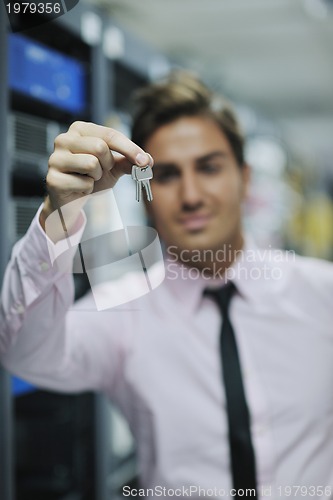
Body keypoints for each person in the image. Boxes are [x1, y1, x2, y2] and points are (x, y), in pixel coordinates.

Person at [1, 72, 333, 500]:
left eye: (209, 167)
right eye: (169, 175)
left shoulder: (322, 294)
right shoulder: (123, 313)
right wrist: (57, 215)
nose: (191, 194)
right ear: (145, 191)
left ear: (245, 179)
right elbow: (24, 353)